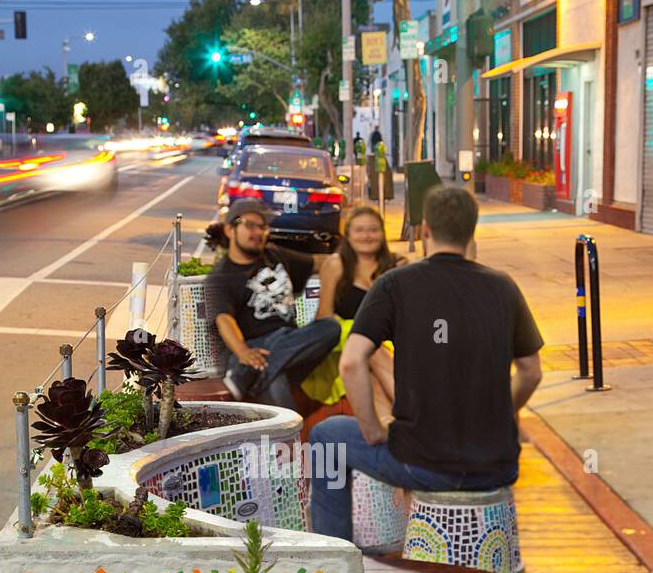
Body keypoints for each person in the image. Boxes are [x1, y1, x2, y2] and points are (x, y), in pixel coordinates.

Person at [309, 185, 544, 542]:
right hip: (496, 466)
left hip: (422, 463)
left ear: (425, 231)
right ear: (472, 230)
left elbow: (352, 363)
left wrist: (372, 427)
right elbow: (531, 372)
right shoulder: (504, 287)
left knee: (327, 437)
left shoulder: (395, 285)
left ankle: (336, 558)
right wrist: (496, 415)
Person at [207, 198, 340, 409]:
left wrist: (340, 264)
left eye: (263, 226)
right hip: (256, 345)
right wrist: (242, 352)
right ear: (230, 230)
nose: (259, 232)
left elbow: (322, 262)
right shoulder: (222, 276)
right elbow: (224, 319)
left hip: (291, 343)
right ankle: (256, 371)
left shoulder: (274, 255)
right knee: (274, 380)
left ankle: (244, 376)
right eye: (250, 225)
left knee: (330, 328)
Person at [300, 203, 401, 422]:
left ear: (382, 234)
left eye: (373, 230)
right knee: (367, 345)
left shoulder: (394, 265)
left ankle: (388, 428)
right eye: (360, 230)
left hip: (386, 344)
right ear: (348, 234)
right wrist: (361, 335)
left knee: (372, 365)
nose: (367, 235)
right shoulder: (336, 265)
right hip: (345, 343)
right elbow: (324, 317)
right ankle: (414, 410)